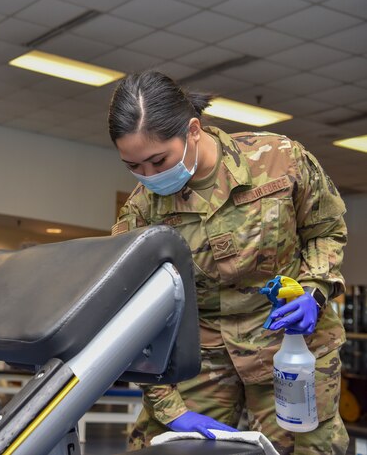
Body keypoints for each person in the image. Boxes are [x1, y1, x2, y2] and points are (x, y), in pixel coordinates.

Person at [108, 71, 348, 455]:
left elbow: (326, 230)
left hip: (289, 346)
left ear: (193, 130)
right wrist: (172, 410)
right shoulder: (140, 211)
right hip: (199, 356)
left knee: (309, 449)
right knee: (162, 448)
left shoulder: (279, 160)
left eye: (157, 160)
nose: (148, 176)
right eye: (133, 166)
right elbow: (136, 315)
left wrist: (314, 290)